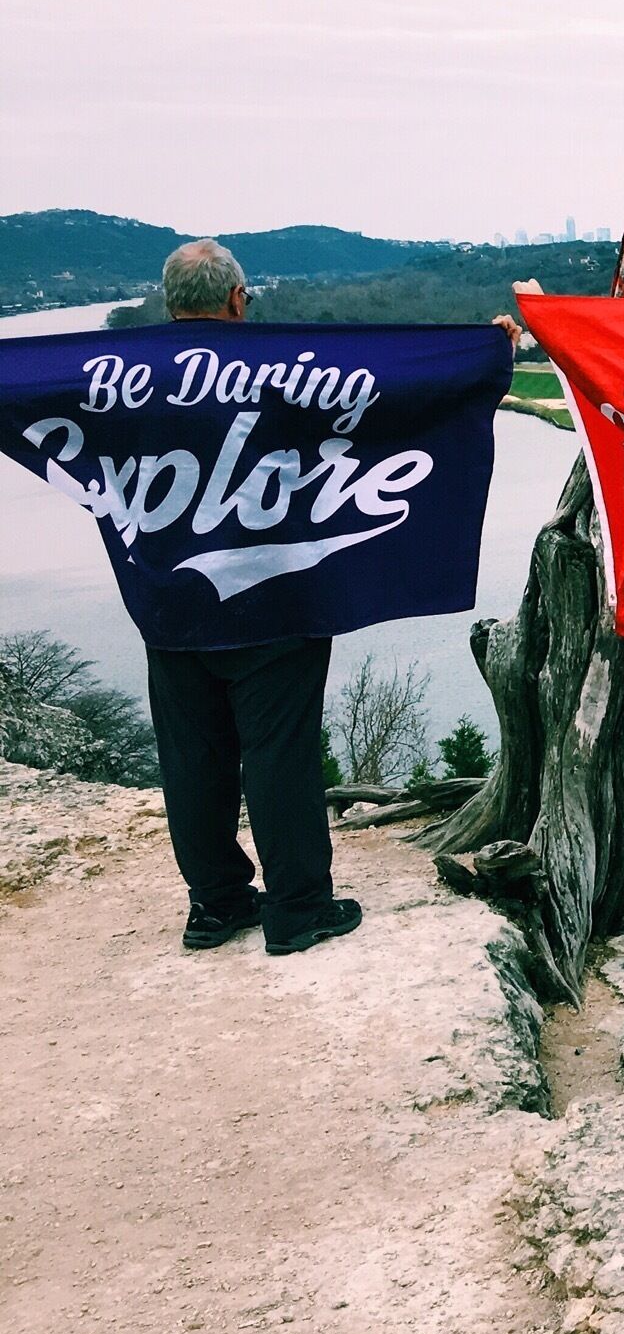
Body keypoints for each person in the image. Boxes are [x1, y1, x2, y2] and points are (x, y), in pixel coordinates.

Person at [148, 240, 517, 956]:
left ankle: (214, 905)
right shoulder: (276, 372)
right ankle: (297, 909)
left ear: (169, 304)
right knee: (278, 754)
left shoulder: (123, 379)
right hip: (273, 597)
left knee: (191, 759)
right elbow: (386, 398)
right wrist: (482, 356)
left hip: (170, 601)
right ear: (237, 299)